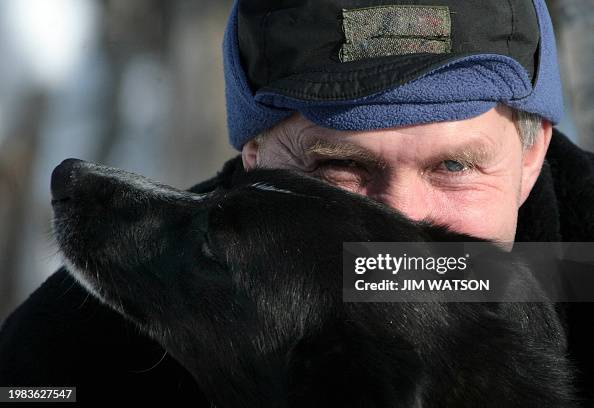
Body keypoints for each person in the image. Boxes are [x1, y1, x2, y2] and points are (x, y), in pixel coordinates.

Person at [1, 0, 593, 404]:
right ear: (256, 156)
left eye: (454, 166)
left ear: (531, 154)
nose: (402, 220)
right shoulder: (82, 344)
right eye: (341, 167)